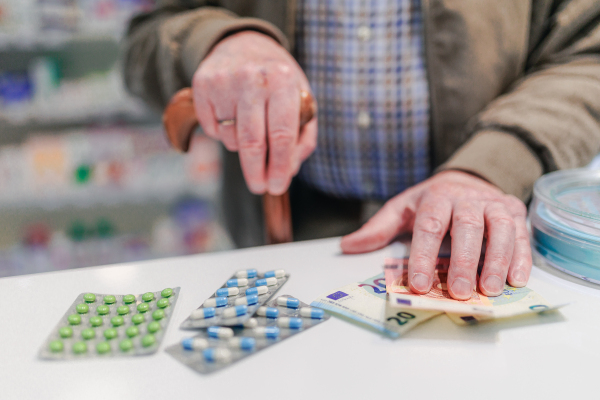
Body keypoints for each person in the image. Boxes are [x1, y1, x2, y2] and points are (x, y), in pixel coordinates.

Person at [123, 1, 600, 300]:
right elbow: (147, 38)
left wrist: (491, 166)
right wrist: (220, 40)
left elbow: (587, 54)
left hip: (472, 242)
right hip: (287, 247)